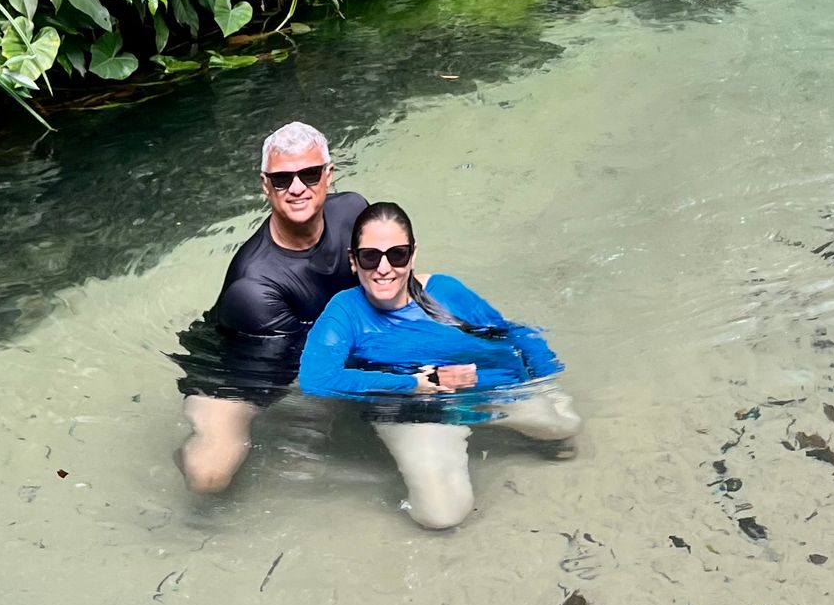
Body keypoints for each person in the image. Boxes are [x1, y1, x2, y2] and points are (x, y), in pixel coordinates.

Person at [297, 200, 580, 529]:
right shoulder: (345, 311)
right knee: (441, 515)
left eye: (397, 254)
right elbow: (316, 379)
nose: (384, 268)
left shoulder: (445, 291)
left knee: (566, 425)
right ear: (353, 260)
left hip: (485, 393)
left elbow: (513, 333)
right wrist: (418, 384)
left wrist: (544, 380)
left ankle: (514, 428)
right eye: (370, 256)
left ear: (413, 255)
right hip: (414, 408)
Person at [172, 121, 367, 493]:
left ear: (329, 175)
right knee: (210, 477)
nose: (296, 188)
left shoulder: (355, 212)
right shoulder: (254, 284)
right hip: (236, 367)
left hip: (309, 331)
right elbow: (297, 368)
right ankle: (189, 451)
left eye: (309, 174)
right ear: (266, 186)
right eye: (282, 179)